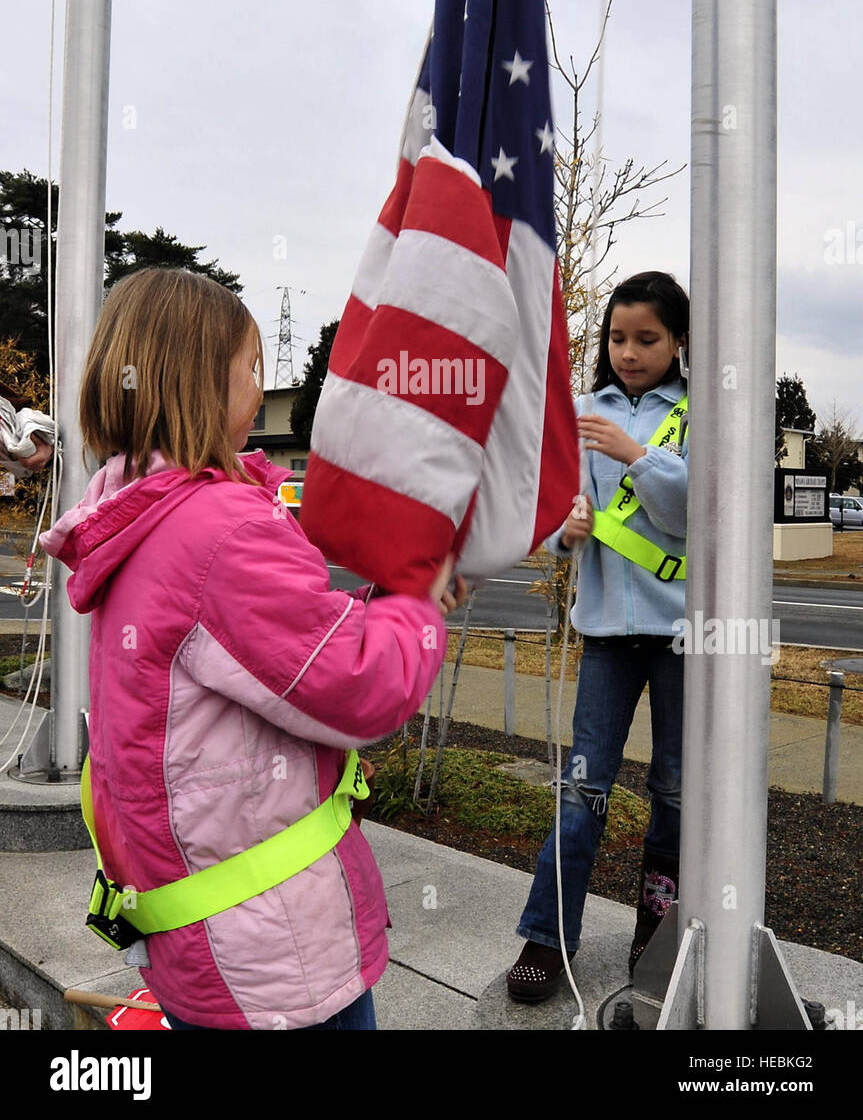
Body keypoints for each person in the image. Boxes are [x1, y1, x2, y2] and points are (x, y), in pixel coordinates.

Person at [39, 267, 465, 1031]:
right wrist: (416, 604)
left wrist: (377, 607)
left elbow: (270, 659)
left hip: (193, 925)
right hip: (272, 958)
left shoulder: (132, 508)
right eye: (252, 368)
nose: (260, 384)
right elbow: (358, 688)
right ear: (200, 381)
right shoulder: (222, 530)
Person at [506, 270, 690, 1001]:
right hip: (606, 635)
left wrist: (634, 454)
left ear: (679, 342)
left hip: (684, 637)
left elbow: (692, 516)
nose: (629, 352)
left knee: (675, 792)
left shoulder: (699, 413)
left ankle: (658, 927)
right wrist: (562, 530)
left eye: (647, 338)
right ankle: (547, 937)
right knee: (581, 789)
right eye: (617, 337)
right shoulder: (583, 414)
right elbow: (549, 516)